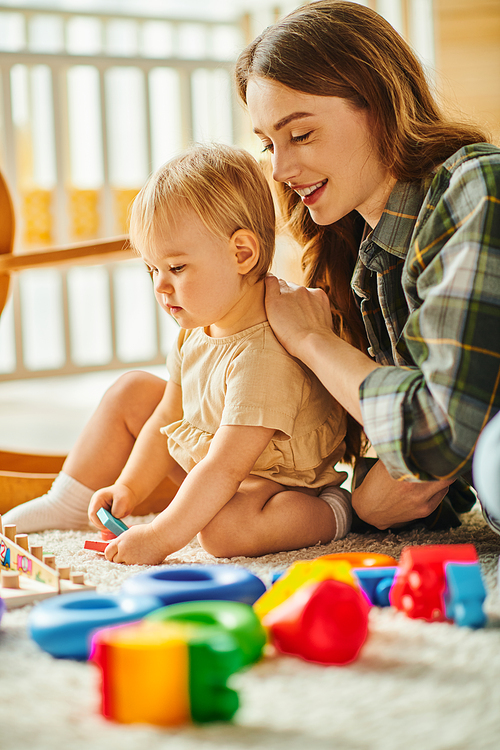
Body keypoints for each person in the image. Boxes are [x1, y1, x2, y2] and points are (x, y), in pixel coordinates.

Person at [3, 143, 352, 564]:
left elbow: (224, 467)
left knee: (222, 533)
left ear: (242, 253)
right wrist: (129, 487)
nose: (160, 287)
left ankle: (334, 512)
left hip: (278, 480)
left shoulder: (263, 354)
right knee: (133, 390)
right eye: (152, 269)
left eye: (177, 268)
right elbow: (167, 417)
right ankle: (68, 499)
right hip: (218, 457)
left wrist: (159, 538)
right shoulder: (200, 325)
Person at [234, 0, 500, 534]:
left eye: (301, 135)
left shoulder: (477, 182)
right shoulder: (365, 255)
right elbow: (419, 470)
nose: (282, 168)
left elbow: (438, 434)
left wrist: (314, 342)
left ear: (378, 104)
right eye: (269, 145)